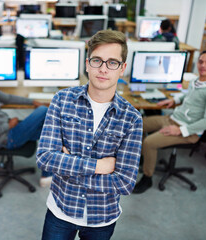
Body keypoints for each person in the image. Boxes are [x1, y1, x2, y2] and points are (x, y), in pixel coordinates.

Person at [36, 30, 143, 240]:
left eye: (112, 62)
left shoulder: (132, 118)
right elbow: (45, 158)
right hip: (60, 209)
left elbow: (125, 182)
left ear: (122, 69)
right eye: (97, 60)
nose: (103, 69)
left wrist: (67, 165)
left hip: (102, 217)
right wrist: (98, 166)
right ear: (87, 64)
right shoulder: (62, 100)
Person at [133, 50, 206, 194]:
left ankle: (147, 178)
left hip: (188, 130)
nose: (203, 66)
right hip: (173, 119)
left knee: (149, 142)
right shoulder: (197, 80)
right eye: (201, 61)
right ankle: (144, 158)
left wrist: (180, 130)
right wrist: (174, 100)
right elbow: (188, 95)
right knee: (136, 125)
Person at [0, 56, 53, 187]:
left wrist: (32, 102)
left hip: (11, 130)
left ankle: (46, 176)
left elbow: (8, 98)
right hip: (5, 138)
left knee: (50, 132)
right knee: (42, 111)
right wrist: (8, 125)